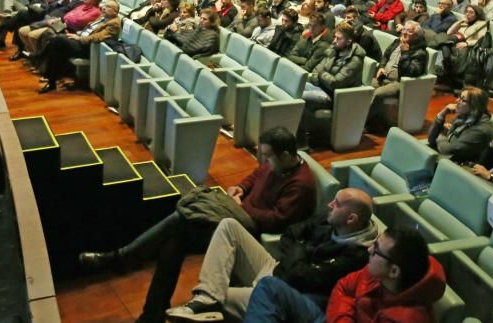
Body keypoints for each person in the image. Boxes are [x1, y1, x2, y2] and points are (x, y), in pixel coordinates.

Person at [79, 127, 316, 323]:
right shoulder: (279, 164)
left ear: (285, 155)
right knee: (174, 241)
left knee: (182, 222)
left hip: (248, 231)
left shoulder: (301, 185)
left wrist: (241, 206)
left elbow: (276, 220)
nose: (265, 160)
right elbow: (256, 174)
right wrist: (241, 188)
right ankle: (150, 312)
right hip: (235, 213)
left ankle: (123, 260)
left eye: (269, 156)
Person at [165, 188, 378, 321]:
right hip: (276, 268)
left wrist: (298, 251)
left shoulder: (357, 255)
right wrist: (299, 254)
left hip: (283, 292)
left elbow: (303, 278)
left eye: (337, 204)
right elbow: (292, 232)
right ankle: (206, 298)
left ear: (351, 219)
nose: (330, 205)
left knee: (224, 295)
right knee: (229, 225)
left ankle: (212, 302)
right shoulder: (329, 217)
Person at [243, 227, 446, 323]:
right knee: (269, 286)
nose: (368, 251)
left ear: (394, 271)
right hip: (334, 318)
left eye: (376, 250)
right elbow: (343, 287)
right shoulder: (377, 272)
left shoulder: (408, 319)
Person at [300, 23, 366, 145]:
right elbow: (315, 72)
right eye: (335, 37)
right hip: (322, 88)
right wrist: (322, 76)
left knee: (300, 97)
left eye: (338, 38)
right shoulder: (334, 50)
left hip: (337, 97)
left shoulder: (355, 60)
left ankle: (302, 140)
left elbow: (336, 84)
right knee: (296, 88)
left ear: (349, 41)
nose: (334, 41)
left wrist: (321, 75)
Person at [37, 0, 121, 93]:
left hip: (88, 47)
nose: (104, 8)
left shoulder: (114, 23)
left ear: (115, 11)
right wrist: (77, 34)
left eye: (108, 7)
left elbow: (98, 37)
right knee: (56, 46)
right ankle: (51, 80)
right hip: (80, 39)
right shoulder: (102, 17)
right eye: (105, 6)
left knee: (58, 40)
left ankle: (40, 58)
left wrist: (79, 38)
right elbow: (89, 29)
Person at [366, 21, 428, 133]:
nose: (404, 32)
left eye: (409, 31)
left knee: (377, 93)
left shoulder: (420, 52)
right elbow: (386, 55)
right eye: (404, 29)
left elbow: (411, 72)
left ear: (416, 35)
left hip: (399, 83)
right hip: (384, 77)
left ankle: (362, 121)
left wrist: (405, 53)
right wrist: (381, 67)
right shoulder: (397, 41)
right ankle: (369, 119)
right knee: (365, 85)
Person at [426, 86, 493, 163]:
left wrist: (441, 133)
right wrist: (442, 114)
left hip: (458, 166)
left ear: (475, 106)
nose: (457, 101)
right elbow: (431, 139)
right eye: (459, 98)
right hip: (444, 158)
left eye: (463, 100)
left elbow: (448, 150)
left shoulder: (480, 130)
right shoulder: (464, 116)